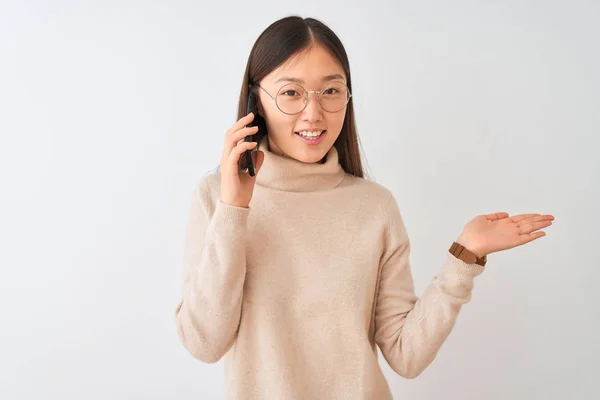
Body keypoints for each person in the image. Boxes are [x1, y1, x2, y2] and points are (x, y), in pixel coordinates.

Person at [174, 15, 555, 399]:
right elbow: (204, 342)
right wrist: (234, 209)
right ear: (257, 99)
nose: (313, 112)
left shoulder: (375, 207)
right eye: (291, 93)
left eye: (331, 91)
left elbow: (406, 355)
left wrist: (465, 256)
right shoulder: (217, 198)